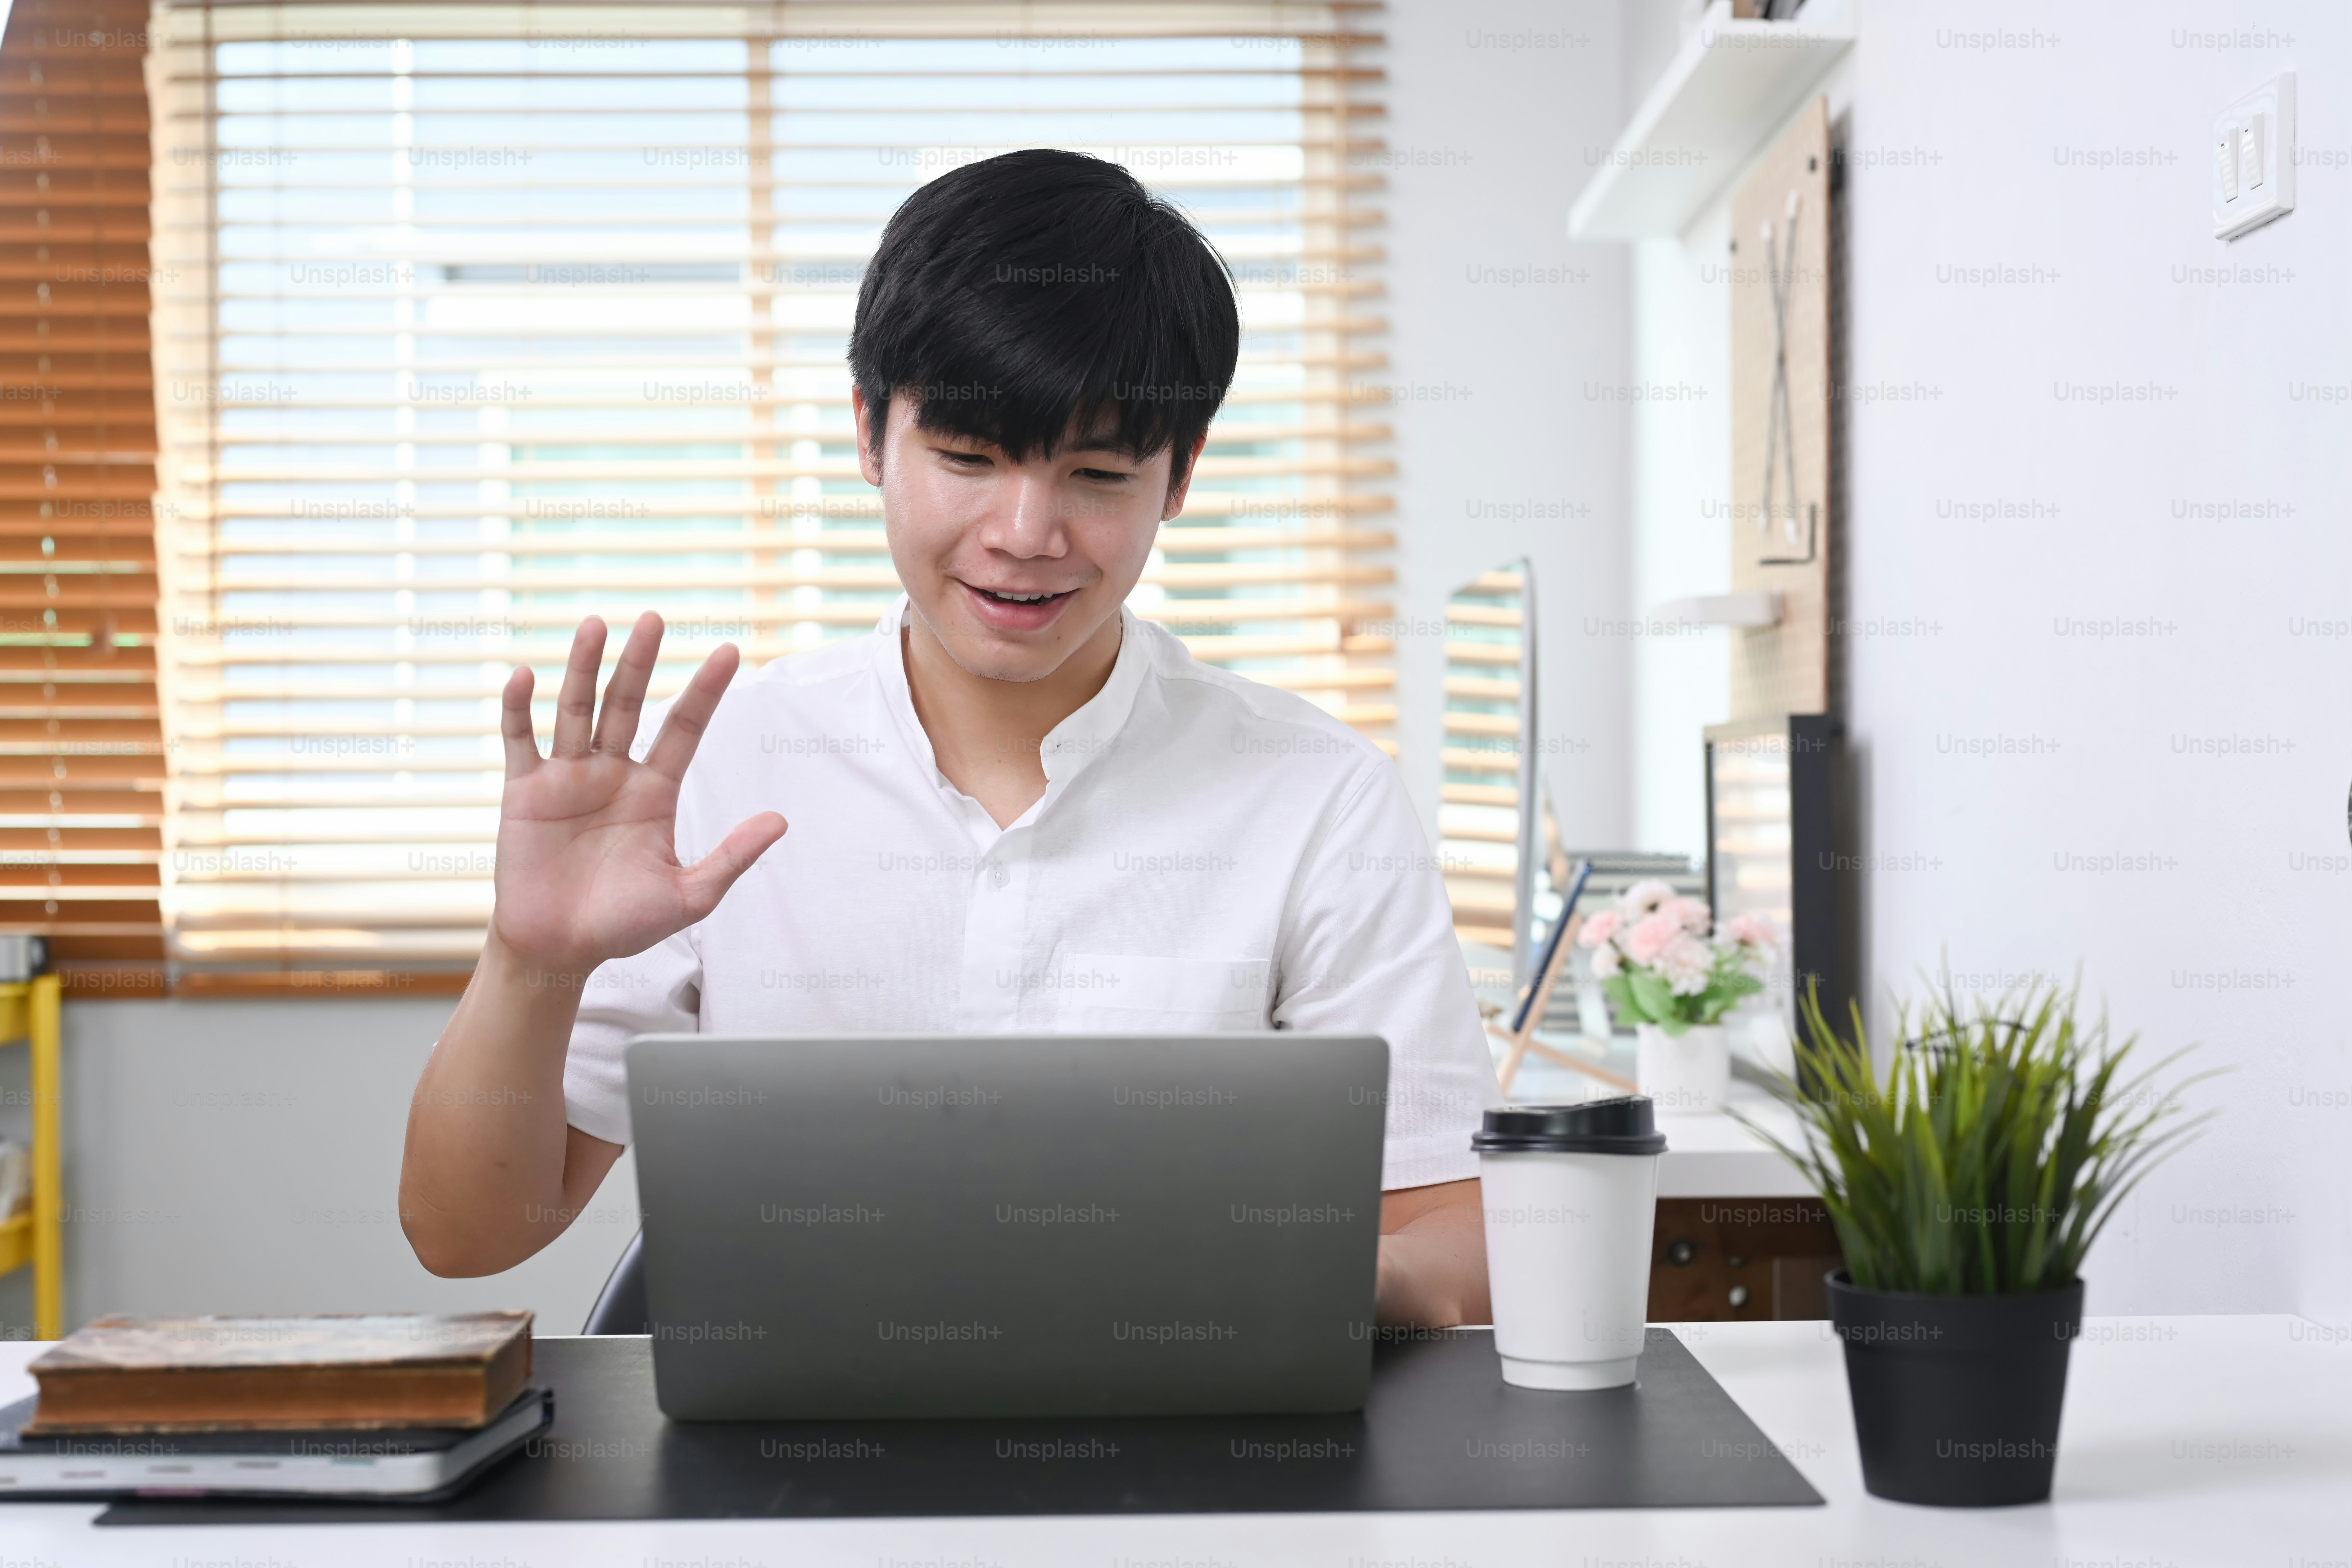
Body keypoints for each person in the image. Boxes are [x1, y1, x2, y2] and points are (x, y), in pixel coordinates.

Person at [399, 148, 1501, 1326]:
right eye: (968, 461)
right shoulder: (727, 764)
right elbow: (465, 1239)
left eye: (1097, 473)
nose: (1027, 533)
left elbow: (1460, 1240)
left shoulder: (1315, 795)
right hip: (786, 1468)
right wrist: (532, 962)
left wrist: (1280, 1278)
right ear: (872, 435)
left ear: (1179, 476)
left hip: (1191, 1458)